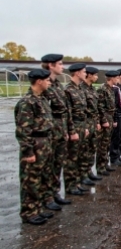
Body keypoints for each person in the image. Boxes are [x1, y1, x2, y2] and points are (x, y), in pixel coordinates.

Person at [15, 69, 54, 225]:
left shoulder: (41, 99)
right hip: (34, 144)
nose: (49, 82)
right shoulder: (27, 102)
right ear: (39, 81)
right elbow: (23, 130)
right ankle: (28, 212)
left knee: (42, 177)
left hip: (45, 142)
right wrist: (28, 151)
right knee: (30, 180)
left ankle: (38, 208)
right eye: (47, 80)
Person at [41, 53, 71, 207]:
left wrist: (67, 130)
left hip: (60, 131)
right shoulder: (43, 86)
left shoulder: (58, 85)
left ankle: (54, 193)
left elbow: (65, 110)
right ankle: (46, 198)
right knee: (48, 167)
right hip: (49, 133)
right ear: (50, 65)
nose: (62, 66)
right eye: (59, 64)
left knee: (57, 164)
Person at [64, 63, 90, 195]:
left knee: (80, 155)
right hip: (73, 125)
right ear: (77, 73)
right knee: (71, 157)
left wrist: (85, 127)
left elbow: (83, 111)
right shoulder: (68, 90)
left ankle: (78, 181)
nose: (86, 74)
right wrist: (71, 131)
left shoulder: (80, 89)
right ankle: (70, 186)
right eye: (84, 72)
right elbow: (67, 113)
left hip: (81, 125)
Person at [80, 66, 102, 182]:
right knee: (84, 149)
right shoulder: (81, 89)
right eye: (95, 75)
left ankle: (89, 171)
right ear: (89, 75)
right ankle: (83, 174)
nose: (97, 77)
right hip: (86, 122)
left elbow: (96, 108)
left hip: (93, 122)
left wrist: (98, 122)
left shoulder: (93, 89)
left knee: (92, 147)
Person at [97, 70, 119, 176]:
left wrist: (113, 119)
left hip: (110, 117)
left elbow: (112, 106)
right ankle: (100, 167)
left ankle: (105, 164)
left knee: (107, 143)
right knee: (102, 144)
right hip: (105, 118)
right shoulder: (103, 89)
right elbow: (100, 106)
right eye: (116, 78)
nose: (117, 79)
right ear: (111, 78)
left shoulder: (110, 89)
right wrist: (104, 120)